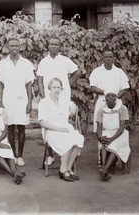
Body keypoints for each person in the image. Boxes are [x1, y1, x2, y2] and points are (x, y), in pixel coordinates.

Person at [37, 36, 82, 165]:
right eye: (52, 44)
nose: (54, 46)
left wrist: (66, 85)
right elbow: (39, 79)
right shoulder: (43, 62)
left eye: (57, 44)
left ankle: (66, 151)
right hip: (48, 96)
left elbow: (77, 72)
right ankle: (50, 155)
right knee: (48, 123)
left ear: (60, 46)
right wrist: (43, 95)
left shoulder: (65, 60)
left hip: (63, 96)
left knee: (62, 121)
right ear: (48, 46)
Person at [0, 37, 35, 167]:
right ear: (7, 47)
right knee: (10, 127)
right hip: (7, 98)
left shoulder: (26, 63)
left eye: (16, 46)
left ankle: (20, 156)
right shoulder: (2, 64)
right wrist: (0, 101)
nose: (14, 48)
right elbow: (0, 84)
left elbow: (29, 84)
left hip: (22, 98)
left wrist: (30, 102)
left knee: (21, 126)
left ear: (20, 47)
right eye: (12, 46)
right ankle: (12, 154)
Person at [38, 78, 84, 182]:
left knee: (78, 139)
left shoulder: (63, 100)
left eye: (58, 87)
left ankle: (68, 167)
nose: (56, 89)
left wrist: (73, 107)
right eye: (54, 87)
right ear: (50, 88)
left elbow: (73, 106)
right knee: (67, 140)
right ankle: (63, 170)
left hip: (65, 128)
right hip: (51, 130)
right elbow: (42, 122)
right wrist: (59, 129)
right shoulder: (44, 102)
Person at [89, 48, 130, 166]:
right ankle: (101, 159)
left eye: (110, 56)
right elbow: (92, 87)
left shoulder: (119, 72)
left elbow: (125, 87)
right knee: (100, 130)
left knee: (117, 128)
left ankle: (115, 156)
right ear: (102, 58)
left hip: (116, 103)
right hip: (102, 102)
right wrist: (107, 93)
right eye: (106, 56)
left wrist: (115, 98)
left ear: (113, 59)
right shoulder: (97, 71)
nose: (108, 58)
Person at [96, 91, 131, 181]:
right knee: (103, 145)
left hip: (119, 133)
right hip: (106, 132)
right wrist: (100, 137)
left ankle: (104, 169)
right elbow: (99, 128)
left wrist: (111, 139)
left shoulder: (122, 108)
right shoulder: (101, 110)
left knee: (114, 145)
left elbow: (122, 127)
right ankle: (104, 168)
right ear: (105, 98)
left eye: (113, 95)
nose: (110, 97)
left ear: (116, 97)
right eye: (108, 96)